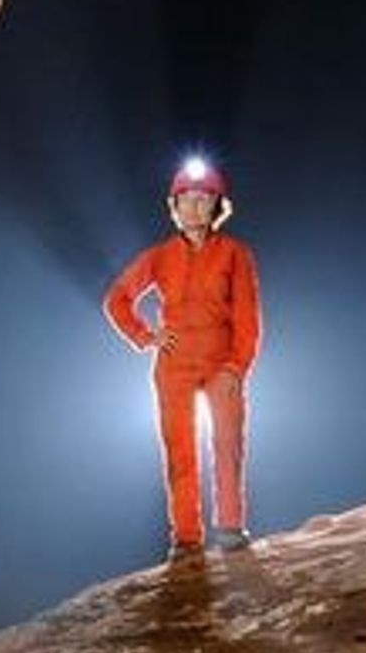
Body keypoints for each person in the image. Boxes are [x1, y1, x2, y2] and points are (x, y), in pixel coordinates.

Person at [105, 153, 264, 556]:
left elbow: (248, 317)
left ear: (217, 206)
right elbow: (117, 300)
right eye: (186, 198)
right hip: (174, 365)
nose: (195, 206)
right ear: (174, 207)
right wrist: (145, 336)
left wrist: (236, 366)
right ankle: (187, 539)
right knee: (180, 450)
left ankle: (230, 527)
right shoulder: (158, 257)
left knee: (227, 444)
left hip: (220, 361)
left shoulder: (235, 254)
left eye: (204, 198)